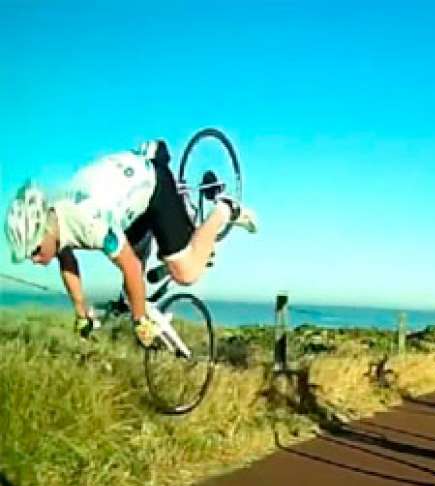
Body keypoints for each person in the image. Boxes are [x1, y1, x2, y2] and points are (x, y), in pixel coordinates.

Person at [5, 139, 257, 346]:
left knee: (185, 272)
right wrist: (81, 313)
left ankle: (225, 210)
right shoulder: (54, 221)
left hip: (154, 188)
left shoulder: (92, 224)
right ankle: (164, 252)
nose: (35, 259)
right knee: (131, 291)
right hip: (129, 204)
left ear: (45, 231)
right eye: (29, 255)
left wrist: (139, 322)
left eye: (35, 251)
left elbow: (132, 267)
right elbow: (67, 261)